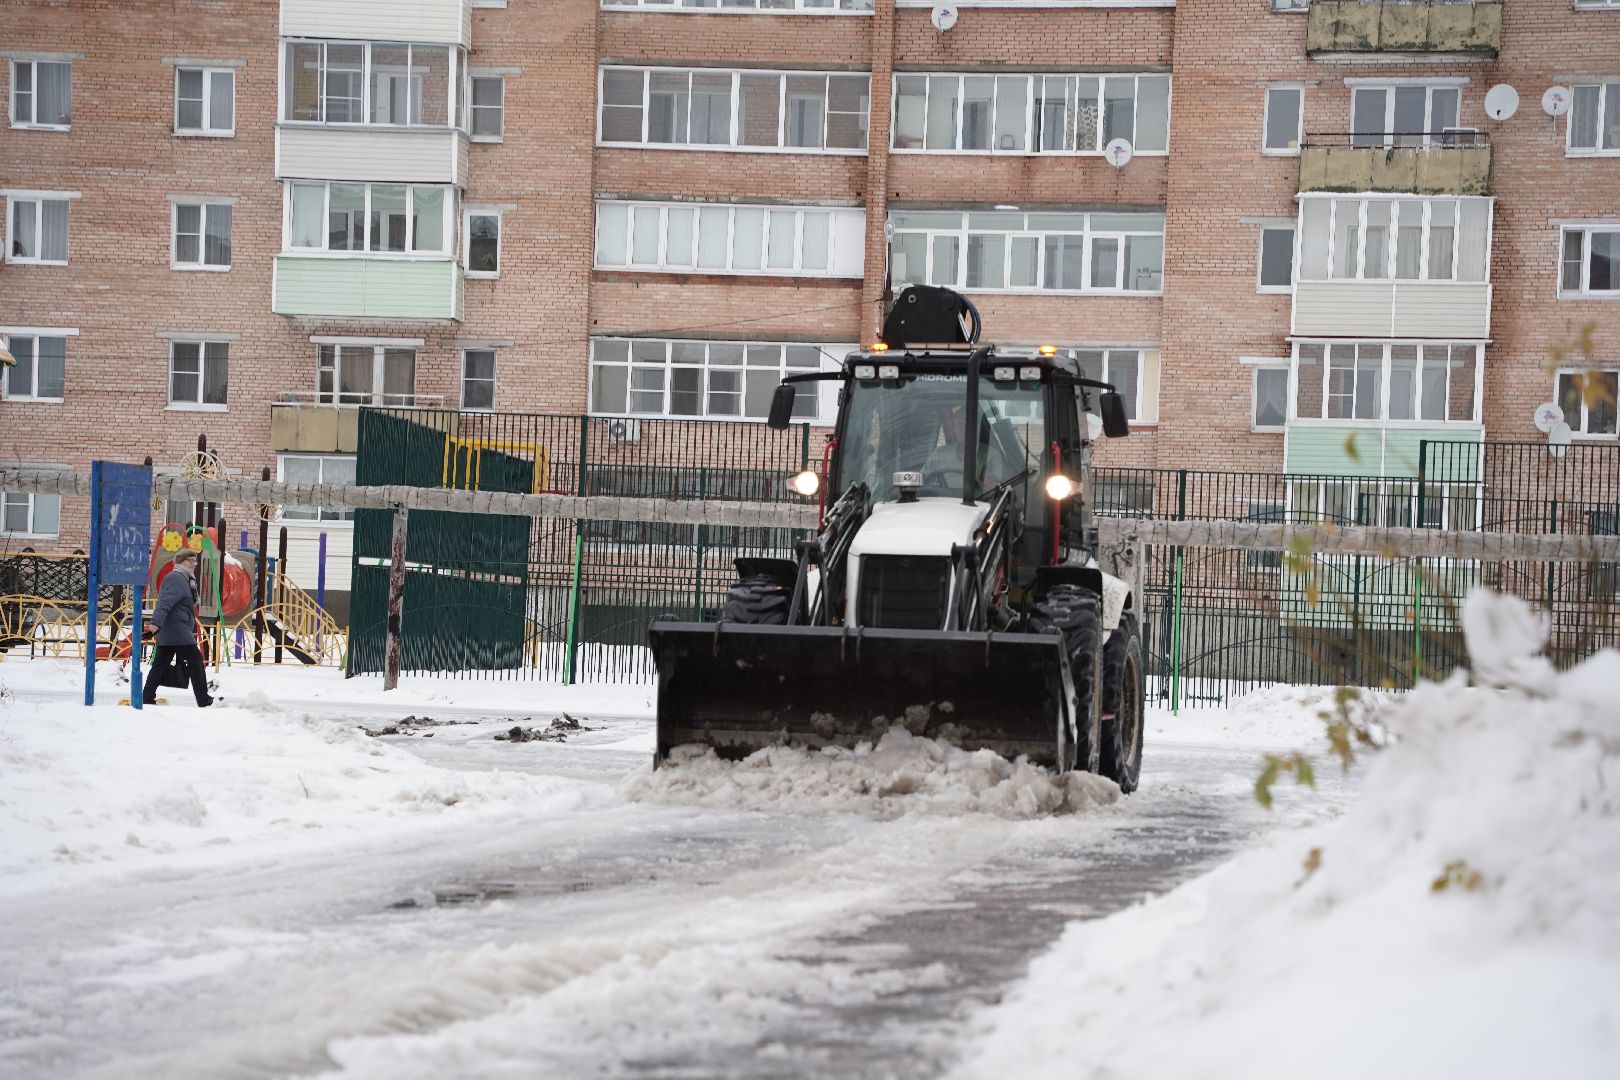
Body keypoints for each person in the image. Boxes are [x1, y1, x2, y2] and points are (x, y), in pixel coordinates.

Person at [143, 548, 215, 708]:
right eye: (190, 560)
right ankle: (203, 698)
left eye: (195, 561)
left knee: (160, 664)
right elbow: (164, 602)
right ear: (180, 562)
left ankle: (147, 696)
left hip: (174, 629)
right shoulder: (175, 578)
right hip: (175, 629)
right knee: (195, 660)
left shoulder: (186, 579)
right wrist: (155, 624)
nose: (194, 563)